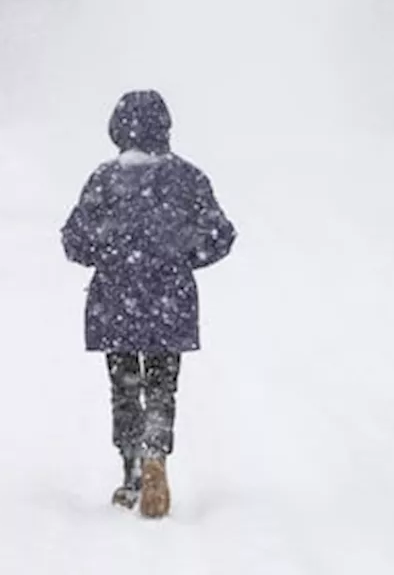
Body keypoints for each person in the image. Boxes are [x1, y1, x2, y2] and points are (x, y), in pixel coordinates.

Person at [60, 89, 237, 518]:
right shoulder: (189, 179)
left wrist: (108, 256)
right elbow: (221, 235)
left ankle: (132, 472)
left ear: (117, 130)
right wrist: (181, 259)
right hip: (169, 298)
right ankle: (157, 451)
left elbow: (74, 240)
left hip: (115, 299)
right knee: (161, 384)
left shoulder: (104, 180)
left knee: (124, 388)